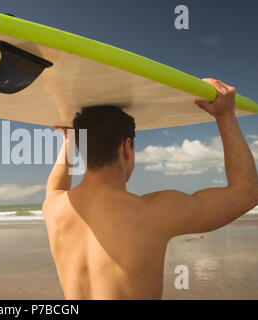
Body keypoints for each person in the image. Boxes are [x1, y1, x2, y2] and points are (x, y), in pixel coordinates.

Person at [42, 78, 258, 299]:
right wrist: (225, 115)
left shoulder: (54, 208)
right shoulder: (154, 213)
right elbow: (246, 193)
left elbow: (55, 185)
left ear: (82, 149)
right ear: (127, 148)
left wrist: (69, 140)